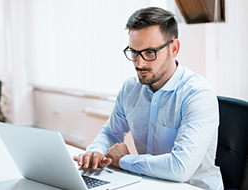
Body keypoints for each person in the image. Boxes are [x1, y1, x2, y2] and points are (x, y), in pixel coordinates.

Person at [73, 7, 223, 190]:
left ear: (174, 48)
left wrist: (124, 160)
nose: (139, 63)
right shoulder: (130, 88)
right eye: (134, 53)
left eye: (150, 53)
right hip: (147, 184)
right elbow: (110, 133)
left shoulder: (197, 95)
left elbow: (180, 168)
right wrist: (95, 150)